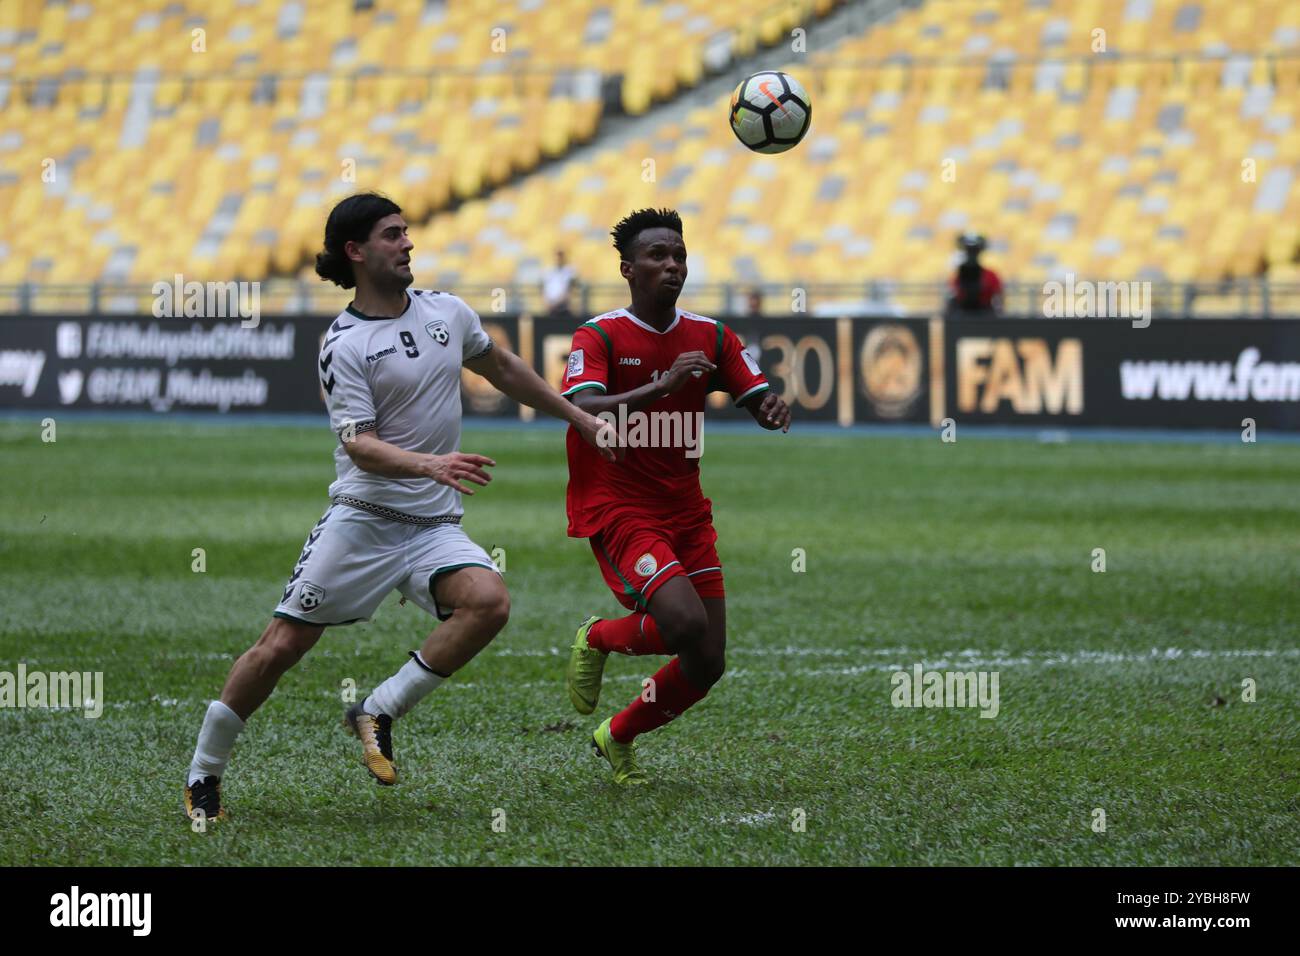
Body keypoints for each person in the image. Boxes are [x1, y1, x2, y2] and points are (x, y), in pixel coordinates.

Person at [182, 192, 612, 821]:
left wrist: (575, 416)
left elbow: (504, 367)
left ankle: (377, 709)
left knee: (489, 602)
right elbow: (359, 446)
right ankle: (203, 774)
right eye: (392, 234)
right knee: (280, 647)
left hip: (432, 524)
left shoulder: (447, 312)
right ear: (356, 252)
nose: (408, 243)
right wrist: (431, 464)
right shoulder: (344, 344)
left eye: (407, 232)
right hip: (362, 521)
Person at [559, 207, 792, 784]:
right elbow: (580, 407)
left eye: (680, 255)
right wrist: (661, 386)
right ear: (627, 268)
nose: (672, 265)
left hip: (686, 508)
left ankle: (616, 736)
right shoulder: (600, 334)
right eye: (657, 256)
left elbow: (756, 394)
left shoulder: (711, 336)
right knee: (685, 623)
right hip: (620, 504)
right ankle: (597, 636)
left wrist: (770, 408)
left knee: (707, 660)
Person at [946, 233, 1003, 317]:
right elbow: (952, 297)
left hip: (985, 316)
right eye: (968, 250)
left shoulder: (991, 276)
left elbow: (998, 300)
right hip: (962, 316)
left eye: (974, 251)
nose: (971, 254)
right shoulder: (957, 276)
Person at [541, 248, 579, 317]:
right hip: (551, 308)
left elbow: (570, 290)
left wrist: (558, 302)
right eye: (557, 255)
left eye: (560, 255)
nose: (558, 258)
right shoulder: (549, 271)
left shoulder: (569, 271)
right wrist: (547, 303)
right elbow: (544, 288)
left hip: (563, 308)